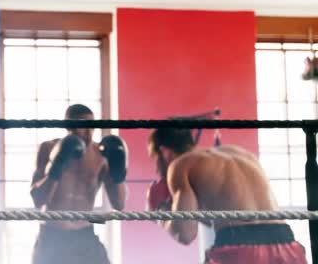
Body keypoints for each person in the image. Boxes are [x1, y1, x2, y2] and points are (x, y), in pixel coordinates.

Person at [145, 128, 308, 264]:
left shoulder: (180, 165)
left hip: (239, 249)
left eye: (154, 159)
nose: (156, 171)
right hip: (286, 245)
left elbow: (185, 234)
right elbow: (232, 217)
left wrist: (161, 212)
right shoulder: (241, 154)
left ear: (164, 152)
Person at [30, 104, 128, 264]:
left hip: (84, 234)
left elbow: (119, 203)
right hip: (52, 234)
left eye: (92, 126)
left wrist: (119, 173)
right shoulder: (48, 148)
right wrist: (56, 168)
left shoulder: (101, 155)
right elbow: (38, 200)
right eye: (83, 126)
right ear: (69, 127)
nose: (88, 132)